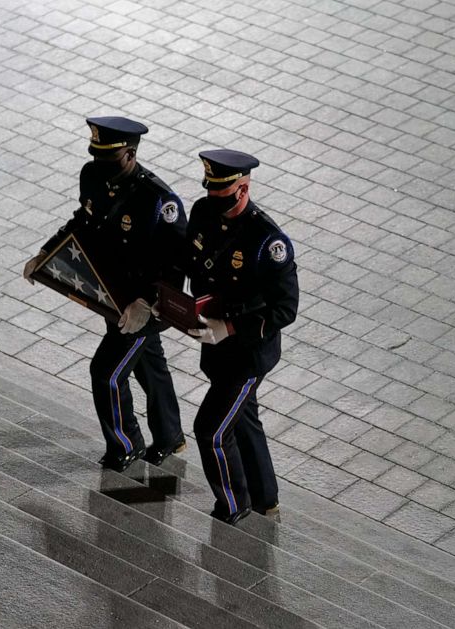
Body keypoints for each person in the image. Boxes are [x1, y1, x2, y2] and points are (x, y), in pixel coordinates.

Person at [23, 116, 188, 472]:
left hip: (144, 307)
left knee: (106, 372)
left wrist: (145, 303)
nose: (100, 165)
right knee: (150, 368)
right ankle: (170, 436)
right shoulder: (92, 174)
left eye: (108, 158)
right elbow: (84, 221)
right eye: (96, 155)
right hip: (112, 296)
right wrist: (46, 253)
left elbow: (176, 267)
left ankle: (125, 445)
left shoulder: (159, 200)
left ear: (130, 154)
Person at [179, 149, 298, 524]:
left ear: (243, 189)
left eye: (223, 194)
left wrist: (229, 327)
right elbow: (190, 264)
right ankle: (266, 499)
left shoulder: (268, 241)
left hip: (247, 353)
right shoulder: (202, 213)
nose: (214, 201)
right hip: (214, 347)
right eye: (211, 191)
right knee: (244, 419)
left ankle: (233, 504)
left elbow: (285, 309)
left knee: (211, 429)